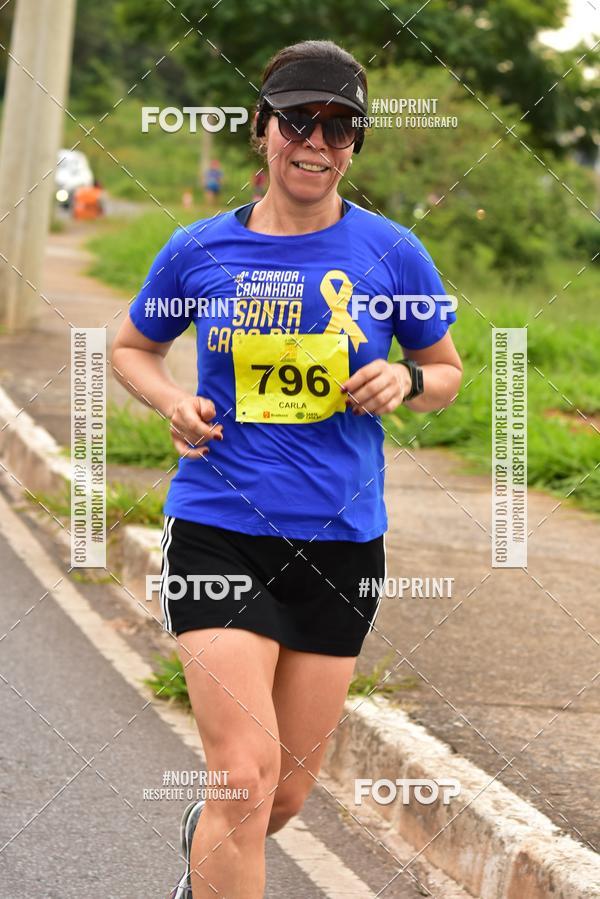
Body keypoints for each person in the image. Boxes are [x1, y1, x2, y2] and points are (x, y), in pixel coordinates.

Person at [111, 39, 462, 899]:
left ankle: (207, 855)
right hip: (218, 526)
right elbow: (133, 348)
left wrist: (406, 377)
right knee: (242, 773)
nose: (317, 141)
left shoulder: (393, 252)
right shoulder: (198, 249)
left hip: (340, 542)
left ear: (356, 146)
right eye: (299, 120)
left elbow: (446, 373)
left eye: (340, 128)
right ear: (262, 130)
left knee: (285, 792)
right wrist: (171, 403)